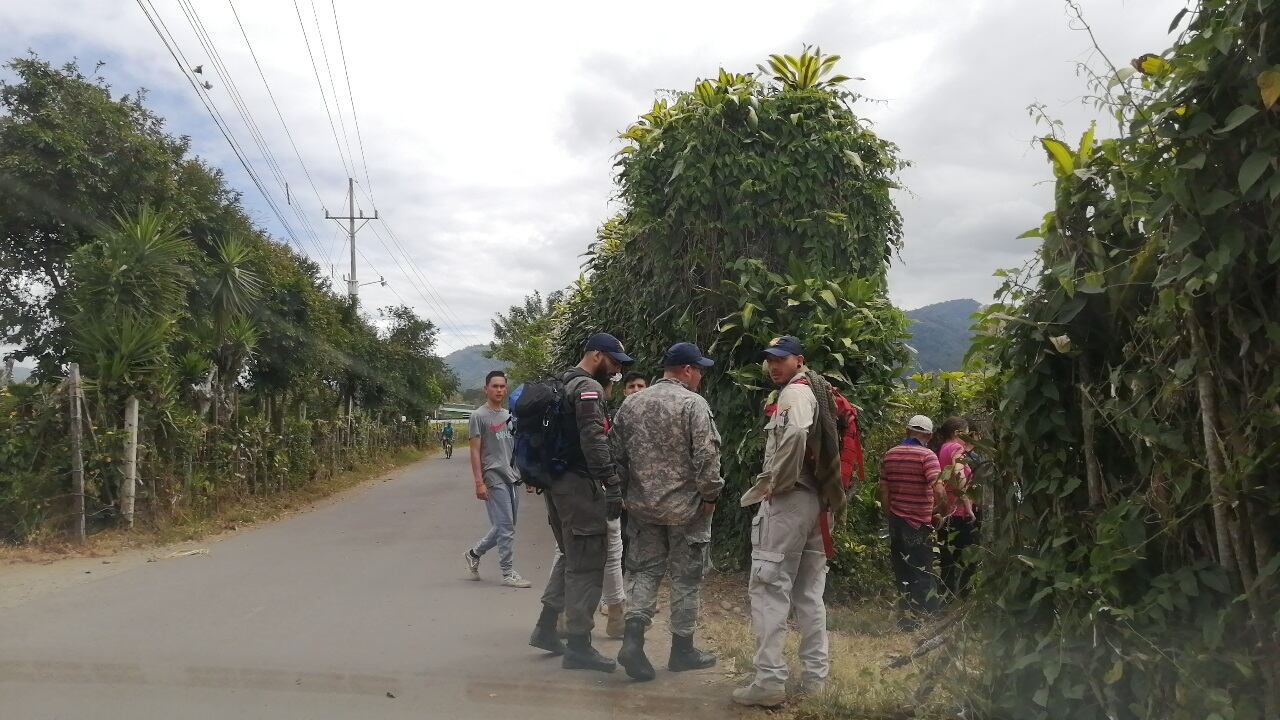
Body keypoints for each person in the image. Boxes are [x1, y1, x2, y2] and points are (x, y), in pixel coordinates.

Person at [611, 342, 723, 682]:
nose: (701, 376)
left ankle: (633, 638)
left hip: (642, 508)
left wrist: (626, 493)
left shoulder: (631, 404)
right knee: (686, 579)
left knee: (643, 572)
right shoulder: (693, 404)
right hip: (687, 510)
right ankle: (682, 651)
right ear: (687, 370)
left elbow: (616, 455)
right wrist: (710, 495)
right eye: (699, 369)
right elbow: (707, 456)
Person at [732, 336, 830, 708]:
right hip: (820, 505)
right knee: (809, 594)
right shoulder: (819, 390)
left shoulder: (794, 393)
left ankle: (770, 681)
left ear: (798, 360)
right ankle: (816, 678)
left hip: (791, 503)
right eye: (770, 360)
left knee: (769, 588)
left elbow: (795, 435)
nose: (774, 366)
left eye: (781, 359)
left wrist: (777, 483)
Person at [528, 333, 633, 673]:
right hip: (578, 485)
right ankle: (578, 646)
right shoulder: (588, 389)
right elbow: (593, 438)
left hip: (555, 484)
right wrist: (611, 483)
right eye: (614, 362)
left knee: (571, 555)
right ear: (598, 356)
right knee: (587, 562)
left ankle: (546, 627)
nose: (617, 371)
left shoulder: (561, 381)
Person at [464, 371, 531, 588]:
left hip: (512, 476)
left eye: (502, 386)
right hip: (493, 476)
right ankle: (507, 572)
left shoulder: (509, 415)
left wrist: (527, 475)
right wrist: (478, 482)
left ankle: (474, 553)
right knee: (506, 527)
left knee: (506, 526)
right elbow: (475, 451)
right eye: (495, 386)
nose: (499, 390)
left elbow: (516, 448)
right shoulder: (478, 416)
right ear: (486, 389)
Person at [880, 415, 945, 628]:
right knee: (923, 570)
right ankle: (926, 617)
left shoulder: (889, 455)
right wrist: (939, 511)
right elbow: (938, 489)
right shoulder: (927, 456)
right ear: (928, 435)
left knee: (902, 570)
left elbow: (884, 491)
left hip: (897, 522)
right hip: (918, 523)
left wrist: (891, 515)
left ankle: (905, 617)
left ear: (907, 432)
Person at [931, 417, 977, 599]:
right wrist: (968, 505)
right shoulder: (957, 448)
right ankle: (965, 598)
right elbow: (958, 474)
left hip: (946, 513)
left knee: (948, 561)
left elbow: (944, 478)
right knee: (969, 558)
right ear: (958, 433)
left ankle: (947, 600)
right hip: (958, 513)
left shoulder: (942, 449)